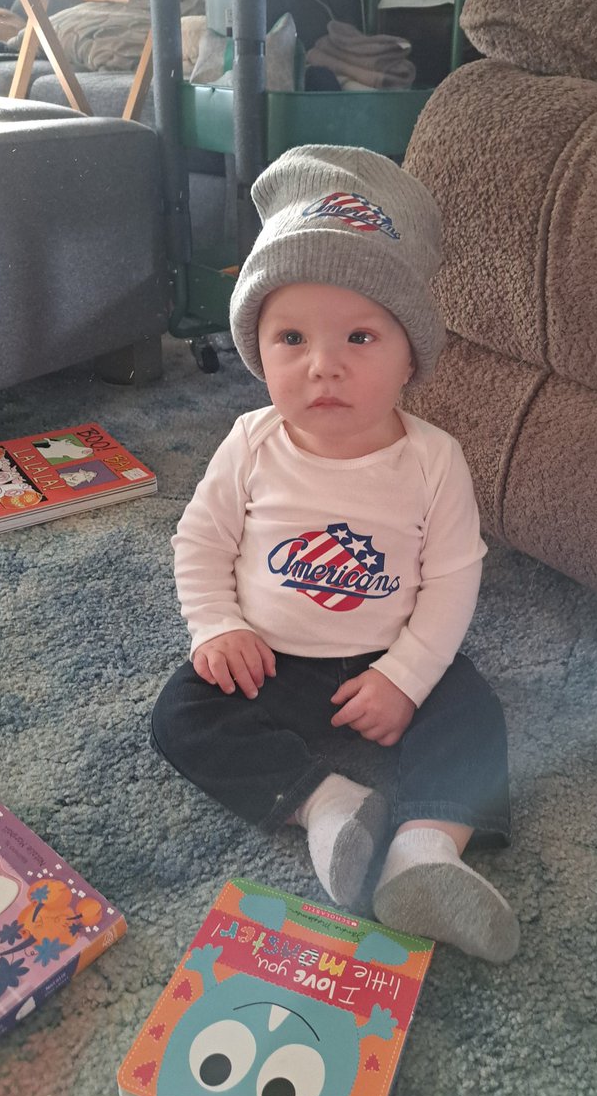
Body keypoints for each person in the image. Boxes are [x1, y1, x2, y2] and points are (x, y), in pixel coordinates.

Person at [152, 145, 519, 963]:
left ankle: (427, 850)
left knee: (471, 713)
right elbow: (201, 540)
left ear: (409, 353)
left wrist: (406, 676)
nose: (324, 365)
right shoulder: (251, 440)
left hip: (387, 658)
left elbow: (454, 580)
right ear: (258, 350)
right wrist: (216, 626)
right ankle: (325, 807)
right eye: (291, 338)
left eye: (359, 335)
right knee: (181, 714)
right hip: (270, 663)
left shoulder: (432, 460)